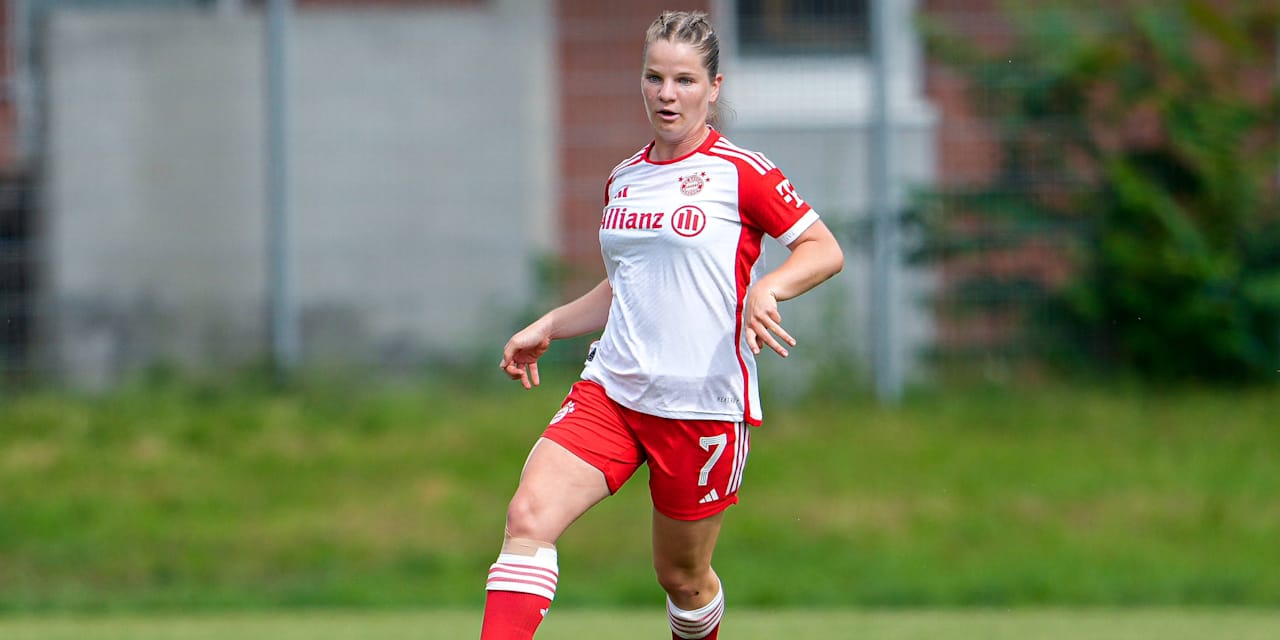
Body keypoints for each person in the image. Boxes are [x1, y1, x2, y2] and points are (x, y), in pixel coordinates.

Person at [480, 10, 844, 640]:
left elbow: (822, 249)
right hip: (613, 391)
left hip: (701, 405)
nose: (667, 94)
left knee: (682, 577)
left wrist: (769, 288)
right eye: (654, 78)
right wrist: (552, 324)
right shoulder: (625, 178)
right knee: (529, 515)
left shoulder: (741, 172)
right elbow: (626, 286)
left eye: (684, 80)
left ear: (714, 87)